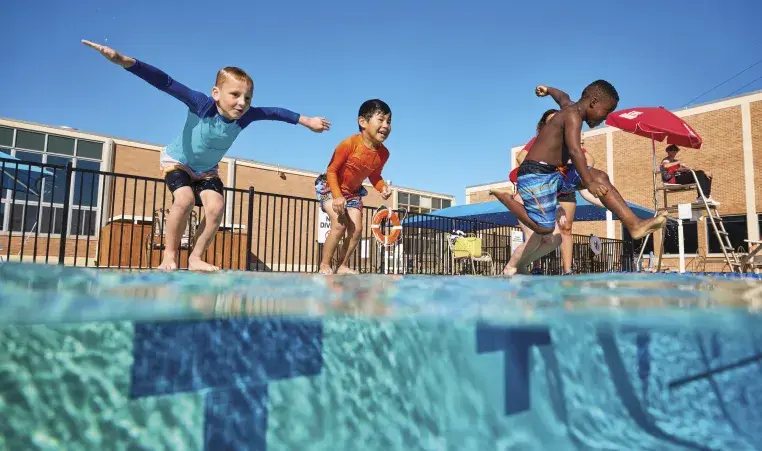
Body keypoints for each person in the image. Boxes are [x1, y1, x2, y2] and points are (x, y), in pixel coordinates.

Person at [82, 39, 331, 272]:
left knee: (216, 207)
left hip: (206, 170)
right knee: (185, 200)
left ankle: (195, 258)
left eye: (247, 97)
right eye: (235, 95)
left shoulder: (245, 117)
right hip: (178, 162)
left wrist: (307, 121)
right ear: (216, 93)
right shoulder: (201, 104)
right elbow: (166, 83)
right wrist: (126, 61)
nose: (242, 103)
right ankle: (170, 254)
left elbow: (274, 112)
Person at [494, 80, 666, 272]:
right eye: (606, 111)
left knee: (600, 176)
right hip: (535, 175)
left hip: (553, 174)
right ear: (593, 103)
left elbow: (562, 96)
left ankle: (634, 224)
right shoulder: (573, 117)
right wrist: (588, 182)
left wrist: (548, 90)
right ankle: (508, 199)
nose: (605, 118)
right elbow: (576, 151)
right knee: (544, 229)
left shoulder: (568, 107)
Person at [497, 87, 604, 275]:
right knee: (536, 237)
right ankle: (510, 268)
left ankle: (522, 265)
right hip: (531, 194)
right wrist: (549, 171)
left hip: (552, 197)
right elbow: (522, 159)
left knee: (555, 239)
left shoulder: (570, 146)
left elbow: (588, 165)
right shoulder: (541, 143)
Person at [316, 100, 393, 275]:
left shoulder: (383, 153)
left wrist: (382, 188)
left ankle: (342, 266)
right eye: (380, 120)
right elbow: (332, 170)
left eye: (389, 121)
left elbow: (374, 175)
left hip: (352, 193)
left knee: (357, 229)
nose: (386, 126)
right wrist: (337, 196)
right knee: (340, 225)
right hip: (331, 186)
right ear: (363, 122)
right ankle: (324, 264)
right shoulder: (349, 144)